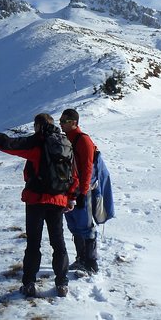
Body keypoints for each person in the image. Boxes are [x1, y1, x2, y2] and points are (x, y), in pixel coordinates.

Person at [0, 113, 78, 298]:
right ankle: (62, 284)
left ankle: (29, 284)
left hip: (36, 200)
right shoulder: (65, 144)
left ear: (37, 126)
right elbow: (74, 174)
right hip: (58, 200)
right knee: (58, 242)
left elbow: (8, 144)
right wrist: (71, 197)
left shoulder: (37, 143)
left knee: (33, 243)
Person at [59, 108, 99, 274]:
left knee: (85, 226)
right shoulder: (66, 139)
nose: (60, 124)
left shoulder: (83, 140)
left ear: (74, 122)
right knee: (74, 226)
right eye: (60, 121)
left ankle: (91, 262)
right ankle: (80, 259)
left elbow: (87, 168)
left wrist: (83, 193)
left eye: (64, 121)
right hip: (68, 190)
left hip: (81, 190)